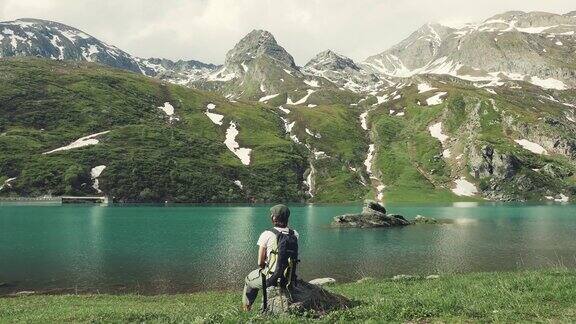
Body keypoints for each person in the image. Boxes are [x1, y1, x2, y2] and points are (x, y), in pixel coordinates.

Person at [242, 204, 299, 311]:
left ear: (274, 218)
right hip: (289, 277)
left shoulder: (266, 234)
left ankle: (246, 308)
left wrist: (266, 268)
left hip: (272, 278)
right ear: (287, 217)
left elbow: (260, 262)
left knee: (248, 279)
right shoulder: (295, 234)